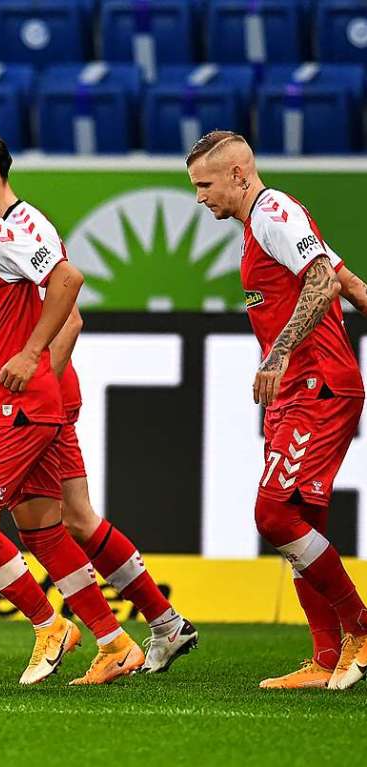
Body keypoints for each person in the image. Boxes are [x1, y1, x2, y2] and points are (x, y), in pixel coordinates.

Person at [0, 131, 197, 675]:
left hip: (36, 395)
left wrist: (36, 378)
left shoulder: (23, 226)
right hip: (22, 393)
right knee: (57, 521)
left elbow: (70, 312)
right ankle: (157, 626)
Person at [187, 130, 367, 690]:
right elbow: (346, 281)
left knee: (274, 516)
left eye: (205, 184)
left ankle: (360, 628)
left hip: (317, 385)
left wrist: (280, 352)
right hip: (299, 390)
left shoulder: (272, 212)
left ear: (238, 175)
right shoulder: (262, 224)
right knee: (301, 524)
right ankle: (323, 655)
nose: (199, 197)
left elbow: (319, 281)